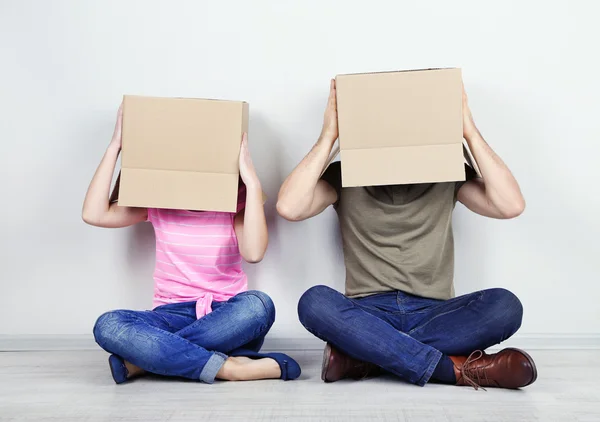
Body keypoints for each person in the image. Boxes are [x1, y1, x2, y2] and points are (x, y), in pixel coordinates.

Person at [276, 79, 536, 389]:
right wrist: (329, 137)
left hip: (436, 312)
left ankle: (366, 356)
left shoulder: (448, 172)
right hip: (368, 311)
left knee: (506, 306)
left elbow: (510, 205)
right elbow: (290, 207)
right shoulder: (344, 175)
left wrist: (468, 129)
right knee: (314, 302)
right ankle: (450, 369)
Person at [83, 105, 300, 384]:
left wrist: (253, 184)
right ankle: (228, 368)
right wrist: (116, 146)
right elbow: (94, 214)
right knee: (108, 324)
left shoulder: (236, 203)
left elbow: (254, 253)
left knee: (259, 305)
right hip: (170, 313)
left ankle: (146, 361)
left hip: (227, 317)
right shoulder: (157, 203)